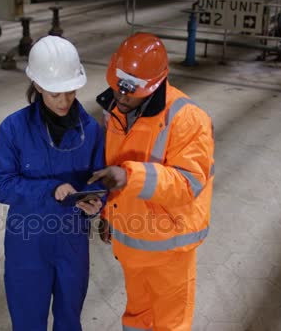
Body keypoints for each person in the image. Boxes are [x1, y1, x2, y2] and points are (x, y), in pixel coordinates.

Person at [88, 33, 215, 331]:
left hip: (169, 251)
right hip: (131, 244)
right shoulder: (117, 112)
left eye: (129, 93)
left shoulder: (187, 119)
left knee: (170, 324)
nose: (120, 97)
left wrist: (130, 176)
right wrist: (109, 216)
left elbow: (187, 184)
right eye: (117, 89)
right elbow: (111, 168)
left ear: (155, 84)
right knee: (136, 319)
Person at [0, 36, 105, 331]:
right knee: (28, 321)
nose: (64, 101)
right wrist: (49, 189)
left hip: (72, 240)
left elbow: (100, 181)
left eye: (70, 91)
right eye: (55, 93)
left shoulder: (91, 130)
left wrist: (96, 205)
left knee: (69, 319)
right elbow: (1, 185)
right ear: (38, 85)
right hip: (28, 241)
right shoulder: (13, 129)